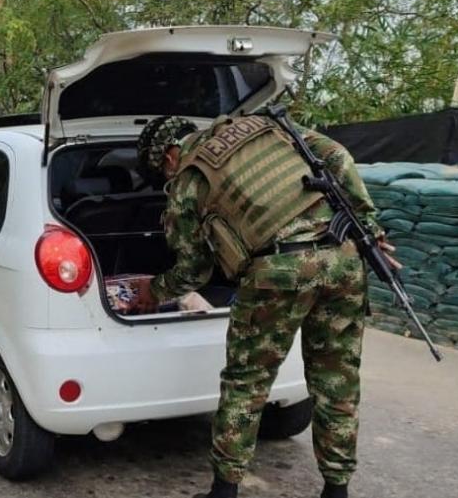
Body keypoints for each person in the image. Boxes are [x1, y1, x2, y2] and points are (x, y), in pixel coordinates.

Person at [127, 113, 395, 498]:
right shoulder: (265, 128)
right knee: (337, 381)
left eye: (162, 172)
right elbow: (337, 154)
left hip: (278, 272)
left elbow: (194, 271)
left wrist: (153, 291)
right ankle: (336, 491)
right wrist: (367, 225)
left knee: (247, 383)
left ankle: (224, 492)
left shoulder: (188, 180)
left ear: (169, 156)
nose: (167, 178)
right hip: (343, 259)